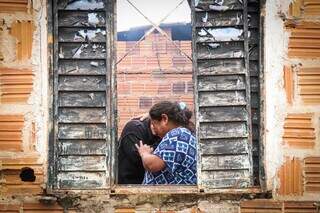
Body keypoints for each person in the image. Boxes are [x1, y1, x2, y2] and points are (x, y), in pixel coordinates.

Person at [135, 101, 197, 185]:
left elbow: (152, 165)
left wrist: (144, 153)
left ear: (165, 119)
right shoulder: (183, 134)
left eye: (154, 124)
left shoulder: (178, 135)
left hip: (173, 196)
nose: (153, 130)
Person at [117, 117, 160, 184]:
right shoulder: (134, 127)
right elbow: (136, 157)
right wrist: (147, 153)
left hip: (149, 183)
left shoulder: (165, 134)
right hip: (128, 182)